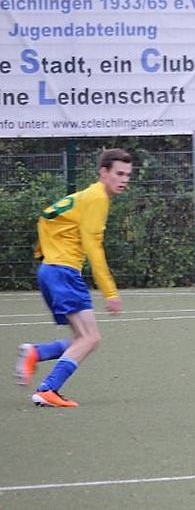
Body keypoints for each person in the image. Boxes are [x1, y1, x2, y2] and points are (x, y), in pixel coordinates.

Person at [15, 148, 133, 407]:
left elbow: (46, 216)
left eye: (127, 175)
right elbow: (94, 247)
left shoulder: (85, 196)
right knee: (90, 338)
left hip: (50, 270)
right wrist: (110, 292)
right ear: (103, 172)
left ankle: (36, 352)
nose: (124, 180)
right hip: (64, 272)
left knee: (82, 339)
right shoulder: (97, 198)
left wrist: (47, 252)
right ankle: (48, 389)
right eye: (119, 174)